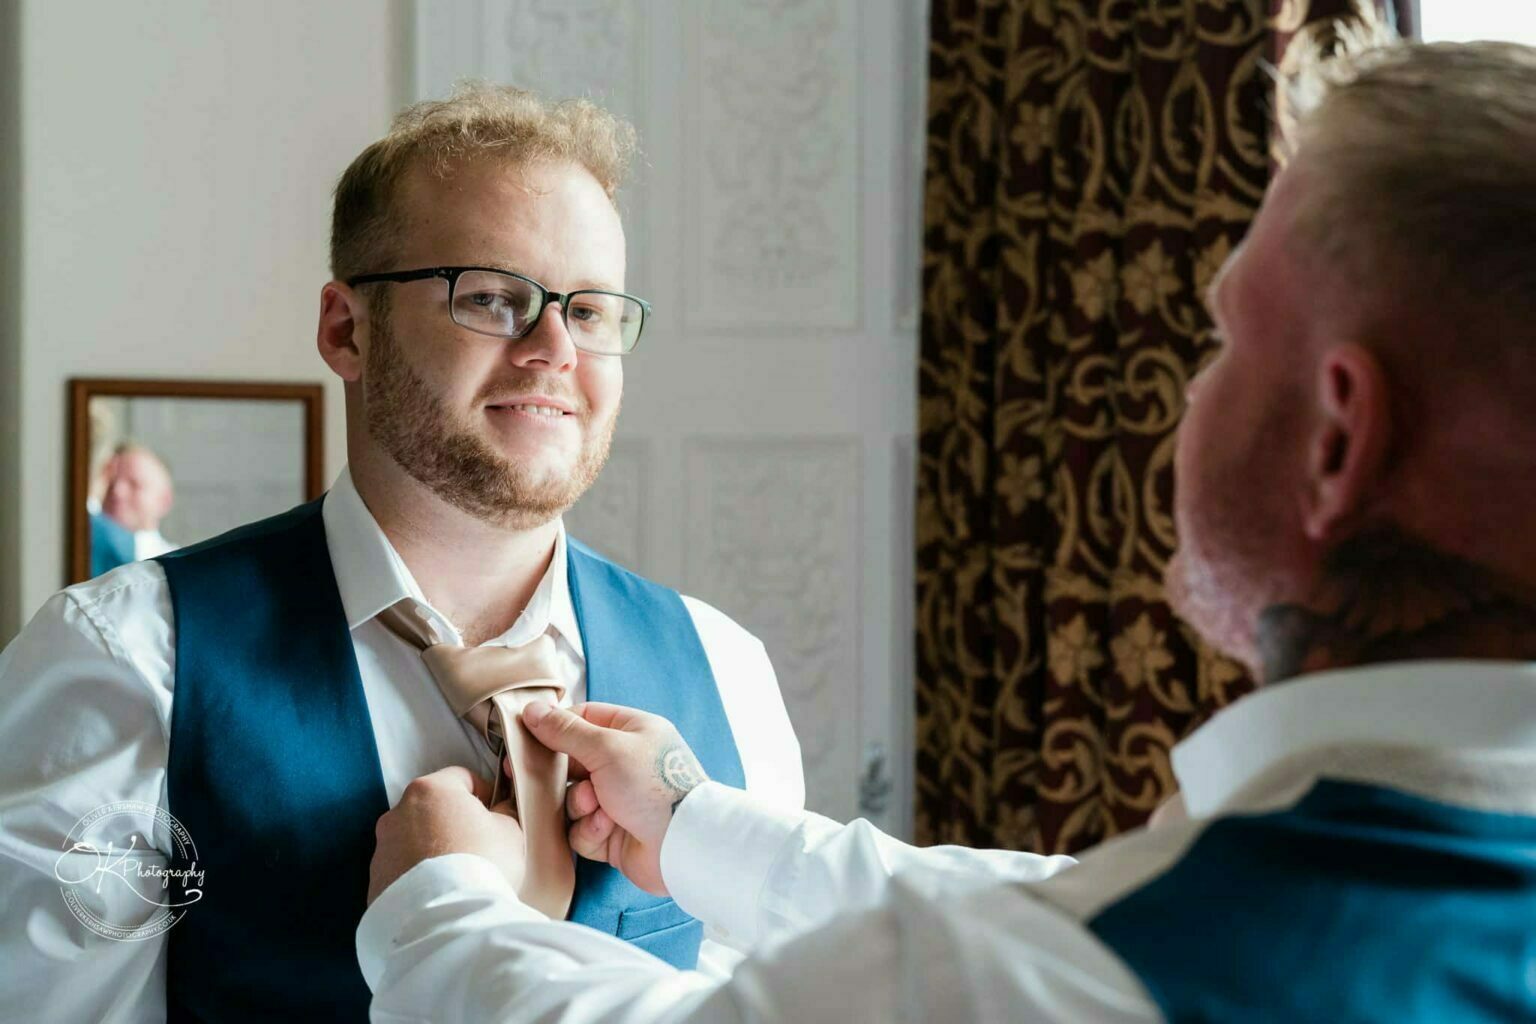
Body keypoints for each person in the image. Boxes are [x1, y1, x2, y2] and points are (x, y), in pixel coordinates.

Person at [359, 38, 1536, 1023]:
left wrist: (441, 911)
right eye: (493, 297)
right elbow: (1037, 903)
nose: (1187, 390)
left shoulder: (1102, 968)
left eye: (1227, 337)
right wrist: (703, 828)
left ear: (1337, 440)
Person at [0, 86, 803, 1022]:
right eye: (495, 298)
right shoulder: (132, 667)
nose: (554, 350)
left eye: (588, 312)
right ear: (347, 329)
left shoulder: (726, 669)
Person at [98, 442, 179, 560]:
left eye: (134, 484)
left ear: (164, 501)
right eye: (111, 481)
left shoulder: (174, 564)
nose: (117, 491)